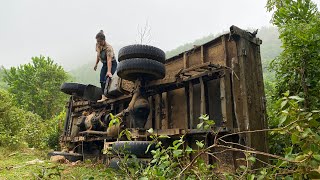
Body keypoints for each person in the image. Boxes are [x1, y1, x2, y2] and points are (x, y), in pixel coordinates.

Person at [94, 30, 117, 102]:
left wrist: (109, 71)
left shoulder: (108, 48)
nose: (98, 43)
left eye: (100, 41)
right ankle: (103, 96)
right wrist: (96, 64)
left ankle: (108, 95)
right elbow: (98, 55)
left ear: (104, 40)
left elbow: (109, 60)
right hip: (104, 64)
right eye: (97, 41)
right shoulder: (97, 45)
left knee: (106, 78)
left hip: (112, 64)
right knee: (101, 80)